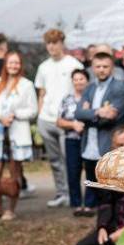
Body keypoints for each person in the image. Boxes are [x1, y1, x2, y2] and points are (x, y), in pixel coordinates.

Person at [0, 52, 38, 221]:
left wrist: (16, 114)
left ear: (20, 65)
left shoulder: (26, 85)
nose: (13, 66)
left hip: (16, 134)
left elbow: (33, 110)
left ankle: (11, 209)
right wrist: (0, 117)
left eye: (16, 63)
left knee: (15, 173)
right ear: (5, 64)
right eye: (10, 63)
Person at [35, 29, 84, 209]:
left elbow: (81, 89)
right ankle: (61, 193)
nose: (52, 46)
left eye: (55, 43)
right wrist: (40, 114)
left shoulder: (73, 64)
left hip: (66, 120)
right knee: (54, 160)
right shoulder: (43, 67)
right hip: (46, 119)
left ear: (62, 43)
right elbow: (41, 92)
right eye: (48, 43)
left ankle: (73, 195)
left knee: (69, 160)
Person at [76, 52, 124, 211]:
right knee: (91, 177)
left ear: (112, 67)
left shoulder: (119, 86)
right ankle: (93, 208)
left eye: (105, 66)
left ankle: (110, 210)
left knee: (108, 180)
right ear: (92, 68)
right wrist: (98, 111)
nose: (101, 70)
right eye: (98, 66)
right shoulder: (90, 87)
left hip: (107, 140)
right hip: (90, 141)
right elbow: (78, 113)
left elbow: (112, 116)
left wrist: (89, 113)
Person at [57, 68, 91, 214]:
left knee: (91, 170)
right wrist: (73, 125)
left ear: (87, 80)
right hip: (71, 140)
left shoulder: (92, 97)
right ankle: (76, 203)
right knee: (73, 171)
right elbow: (59, 121)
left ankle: (90, 203)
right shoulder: (67, 99)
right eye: (75, 79)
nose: (78, 82)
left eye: (81, 79)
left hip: (89, 139)